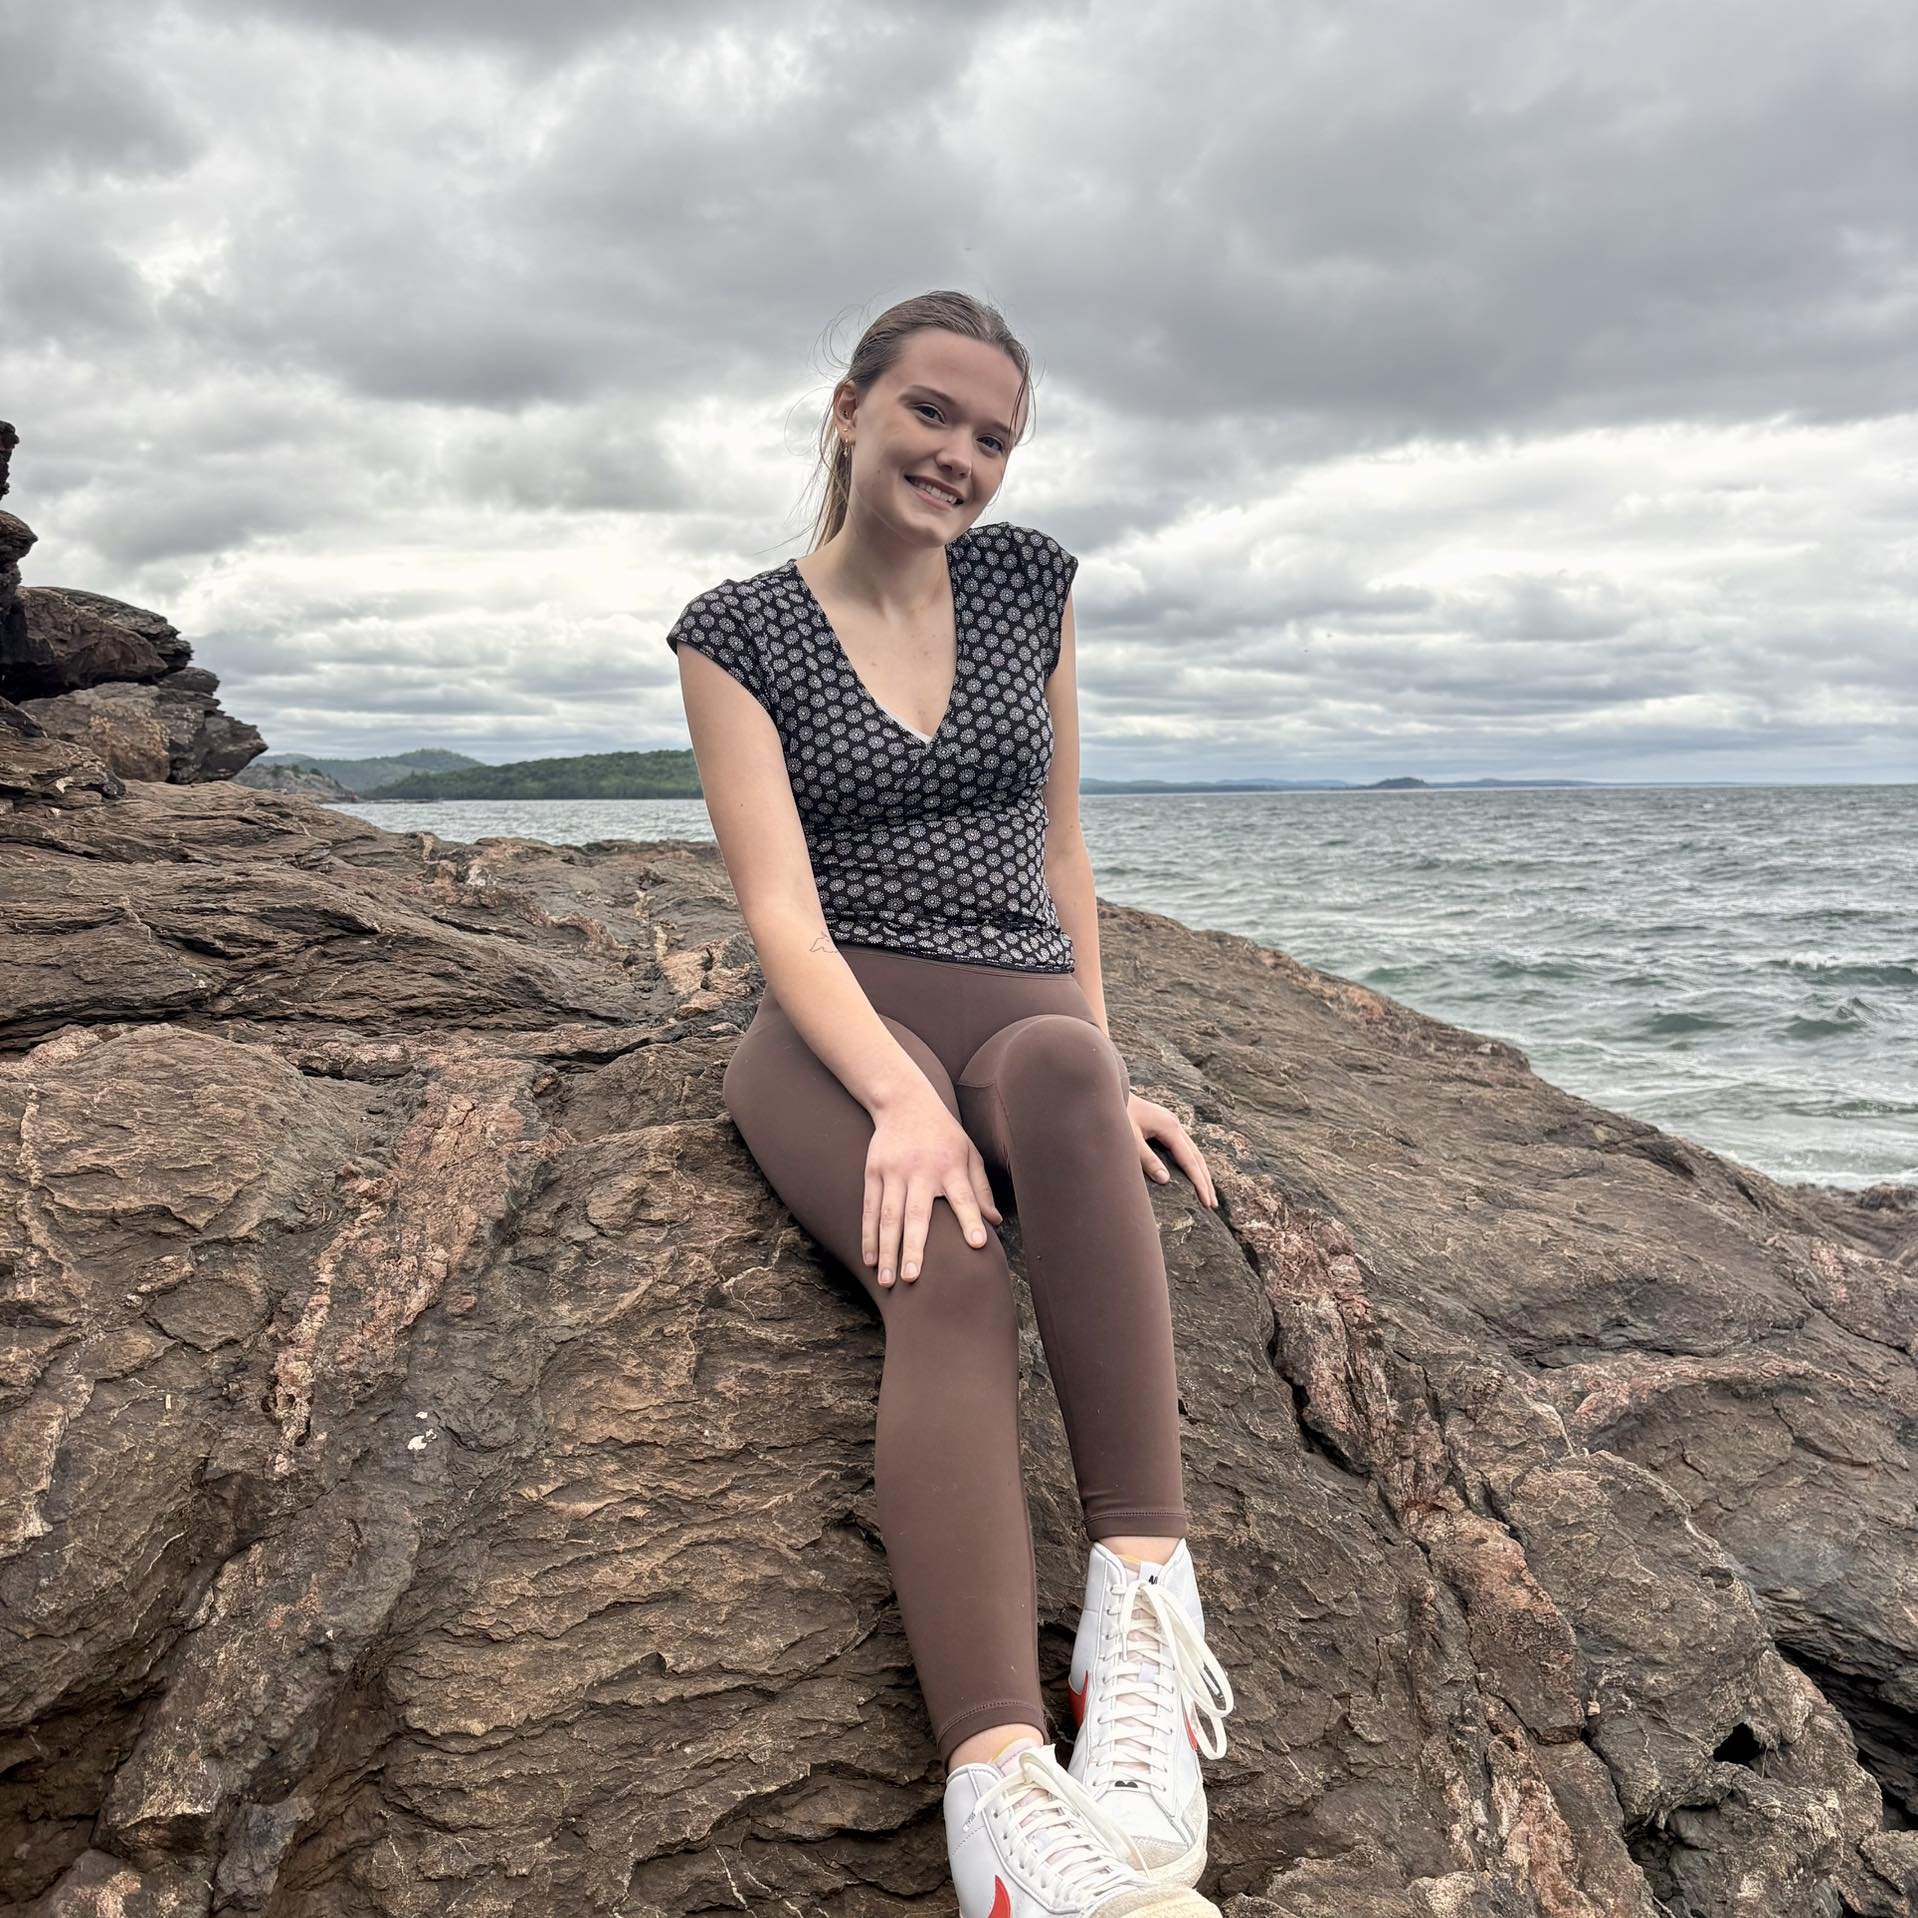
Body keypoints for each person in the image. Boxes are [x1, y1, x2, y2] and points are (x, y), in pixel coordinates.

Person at [667, 289, 1236, 1918]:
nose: (961, 456)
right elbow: (777, 908)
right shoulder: (735, 631)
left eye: (993, 434)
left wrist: (1100, 1078)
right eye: (930, 413)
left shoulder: (1028, 586)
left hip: (1015, 998)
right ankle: (997, 1790)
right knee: (955, 1269)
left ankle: (1137, 1615)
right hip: (836, 1014)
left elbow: (1062, 849)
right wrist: (899, 1103)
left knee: (1069, 1074)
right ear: (847, 408)